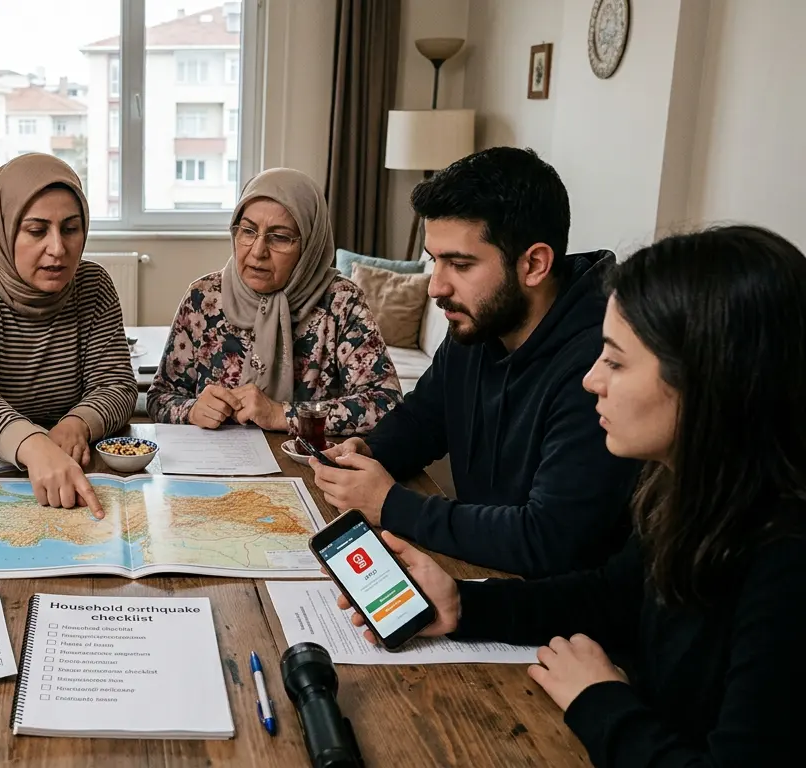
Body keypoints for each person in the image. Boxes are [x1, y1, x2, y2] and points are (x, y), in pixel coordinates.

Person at [340, 225, 806, 767]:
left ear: (708, 380)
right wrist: (464, 604)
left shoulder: (787, 562)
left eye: (614, 360)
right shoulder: (683, 490)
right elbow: (612, 596)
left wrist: (599, 700)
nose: (591, 380)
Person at [311, 147, 640, 578]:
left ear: (535, 264)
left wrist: (391, 504)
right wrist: (371, 451)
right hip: (478, 572)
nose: (436, 287)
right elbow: (426, 418)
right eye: (434, 260)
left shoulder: (600, 366)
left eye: (460, 264)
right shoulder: (478, 323)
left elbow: (548, 539)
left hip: (551, 612)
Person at [0, 153, 135, 518]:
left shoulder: (93, 285)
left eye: (70, 228)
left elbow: (116, 385)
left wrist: (77, 422)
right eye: (36, 230)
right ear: (4, 228)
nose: (58, 248)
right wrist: (33, 443)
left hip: (63, 462)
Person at [147, 167, 402, 435]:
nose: (258, 252)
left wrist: (281, 414)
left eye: (279, 237)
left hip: (307, 466)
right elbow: (159, 398)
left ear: (309, 245)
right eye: (247, 231)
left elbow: (387, 404)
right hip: (213, 465)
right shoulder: (204, 297)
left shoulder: (341, 302)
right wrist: (191, 410)